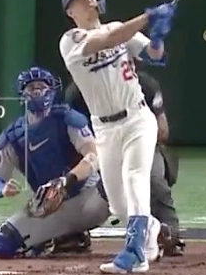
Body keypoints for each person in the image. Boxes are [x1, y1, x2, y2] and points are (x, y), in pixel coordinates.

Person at [57, 0, 175, 274]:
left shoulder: (119, 28)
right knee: (118, 204)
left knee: (135, 176)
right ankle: (152, 229)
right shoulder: (71, 40)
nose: (88, 1)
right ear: (70, 11)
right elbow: (106, 41)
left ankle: (135, 252)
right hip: (105, 128)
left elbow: (156, 57)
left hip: (137, 118)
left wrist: (157, 37)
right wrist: (147, 18)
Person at [0, 67, 110, 259]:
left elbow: (94, 156)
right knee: (0, 244)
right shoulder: (13, 136)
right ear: (22, 94)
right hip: (50, 208)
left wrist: (66, 181)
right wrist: (2, 189)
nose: (36, 92)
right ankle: (64, 238)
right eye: (31, 87)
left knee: (122, 180)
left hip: (89, 198)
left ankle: (147, 232)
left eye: (41, 87)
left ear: (51, 91)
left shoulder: (67, 119)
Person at [63, 65, 185, 256]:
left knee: (153, 180)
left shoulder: (144, 84)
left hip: (141, 141)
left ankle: (170, 234)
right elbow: (80, 137)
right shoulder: (77, 93)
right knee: (105, 201)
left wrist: (133, 144)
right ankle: (71, 234)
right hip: (101, 148)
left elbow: (162, 130)